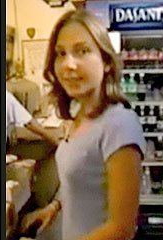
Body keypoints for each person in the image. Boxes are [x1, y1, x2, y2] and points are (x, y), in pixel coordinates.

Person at [42, 9, 146, 240]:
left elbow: (121, 229)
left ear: (107, 61)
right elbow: (85, 180)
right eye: (61, 53)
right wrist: (55, 206)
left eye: (82, 51)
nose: (68, 64)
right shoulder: (78, 115)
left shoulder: (119, 124)